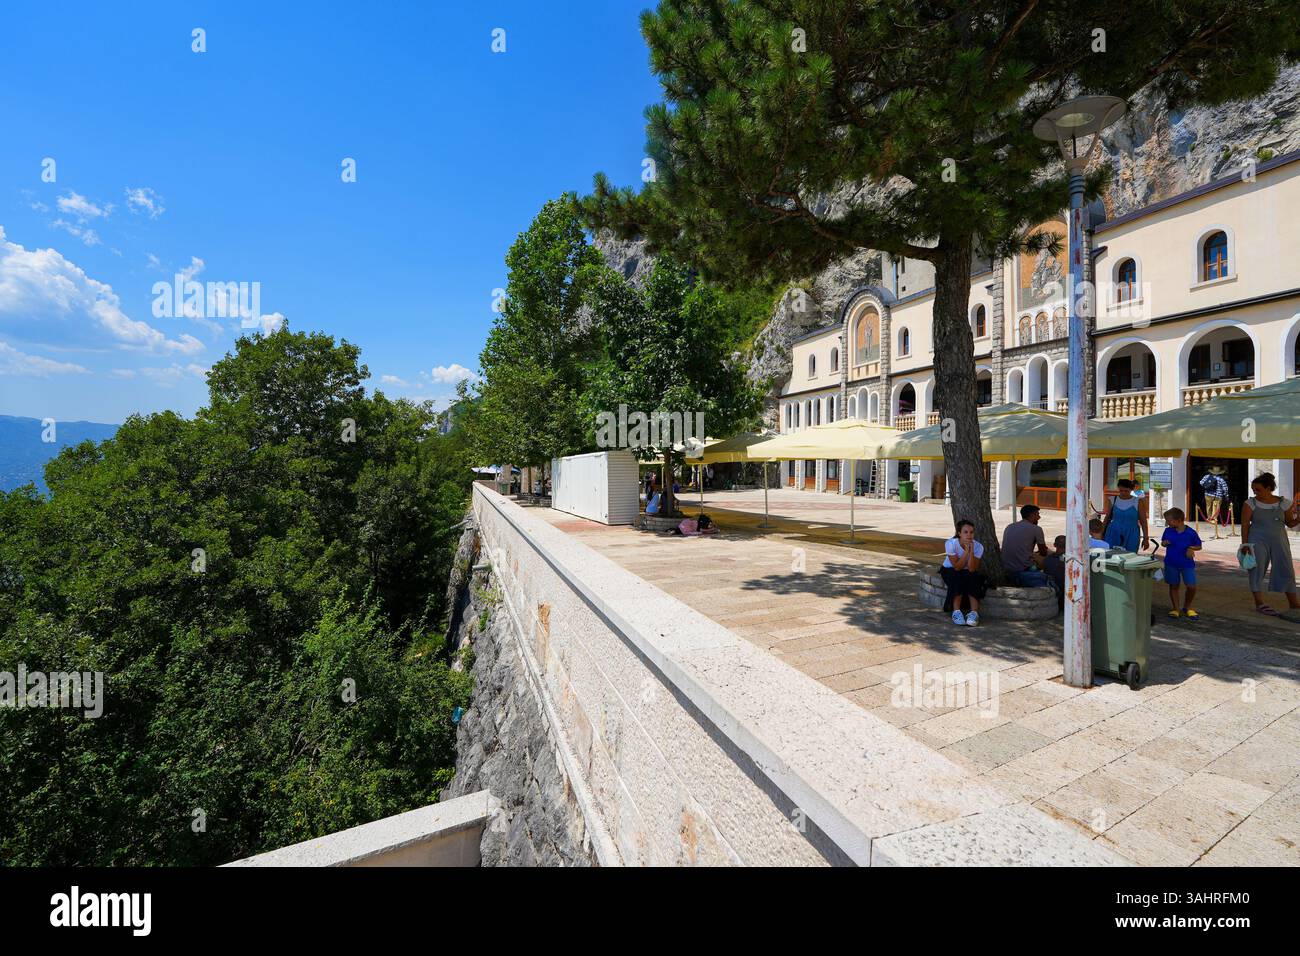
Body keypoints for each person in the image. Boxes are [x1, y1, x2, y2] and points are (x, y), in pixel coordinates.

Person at [1239, 473, 1300, 617]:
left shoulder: (1284, 503)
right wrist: (1245, 544)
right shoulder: (1250, 503)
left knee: (1286, 569)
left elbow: (1290, 523)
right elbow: (1244, 525)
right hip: (1257, 540)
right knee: (1256, 570)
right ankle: (1259, 603)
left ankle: (1293, 602)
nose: (1255, 492)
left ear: (1268, 488)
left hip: (1280, 541)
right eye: (1253, 489)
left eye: (1258, 489)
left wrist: (1299, 519)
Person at [941, 519, 987, 626]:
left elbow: (971, 569)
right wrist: (966, 552)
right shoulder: (950, 543)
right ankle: (956, 611)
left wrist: (971, 551)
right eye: (965, 532)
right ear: (959, 533)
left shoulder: (979, 547)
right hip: (950, 570)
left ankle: (974, 613)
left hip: (967, 570)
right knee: (957, 576)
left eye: (971, 532)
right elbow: (957, 567)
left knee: (974, 577)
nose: (969, 535)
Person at [1160, 507, 1203, 619]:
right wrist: (1164, 543)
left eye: (1169, 521)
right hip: (1171, 562)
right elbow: (1163, 543)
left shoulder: (1191, 533)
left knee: (1191, 586)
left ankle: (1187, 606)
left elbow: (1199, 546)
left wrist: (1191, 548)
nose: (1167, 523)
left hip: (1187, 564)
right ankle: (1176, 608)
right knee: (1174, 586)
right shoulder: (1168, 531)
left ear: (1179, 520)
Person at [1001, 505, 1050, 587]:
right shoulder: (1036, 529)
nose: (1039, 517)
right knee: (1050, 559)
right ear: (1032, 515)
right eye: (1037, 514)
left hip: (1006, 567)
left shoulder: (1010, 526)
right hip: (1024, 569)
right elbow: (1043, 552)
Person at [1102, 479, 1149, 552]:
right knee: (1111, 556)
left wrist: (1146, 538)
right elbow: (1107, 518)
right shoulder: (1113, 500)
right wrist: (1100, 533)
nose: (1123, 493)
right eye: (1121, 490)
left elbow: (1143, 521)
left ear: (1131, 490)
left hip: (1132, 534)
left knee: (1130, 557)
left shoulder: (1137, 502)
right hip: (1113, 532)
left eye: (1126, 491)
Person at [1043, 535, 1067, 613]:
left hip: (1053, 598)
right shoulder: (1070, 561)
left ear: (1054, 545)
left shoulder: (1047, 560)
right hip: (1066, 601)